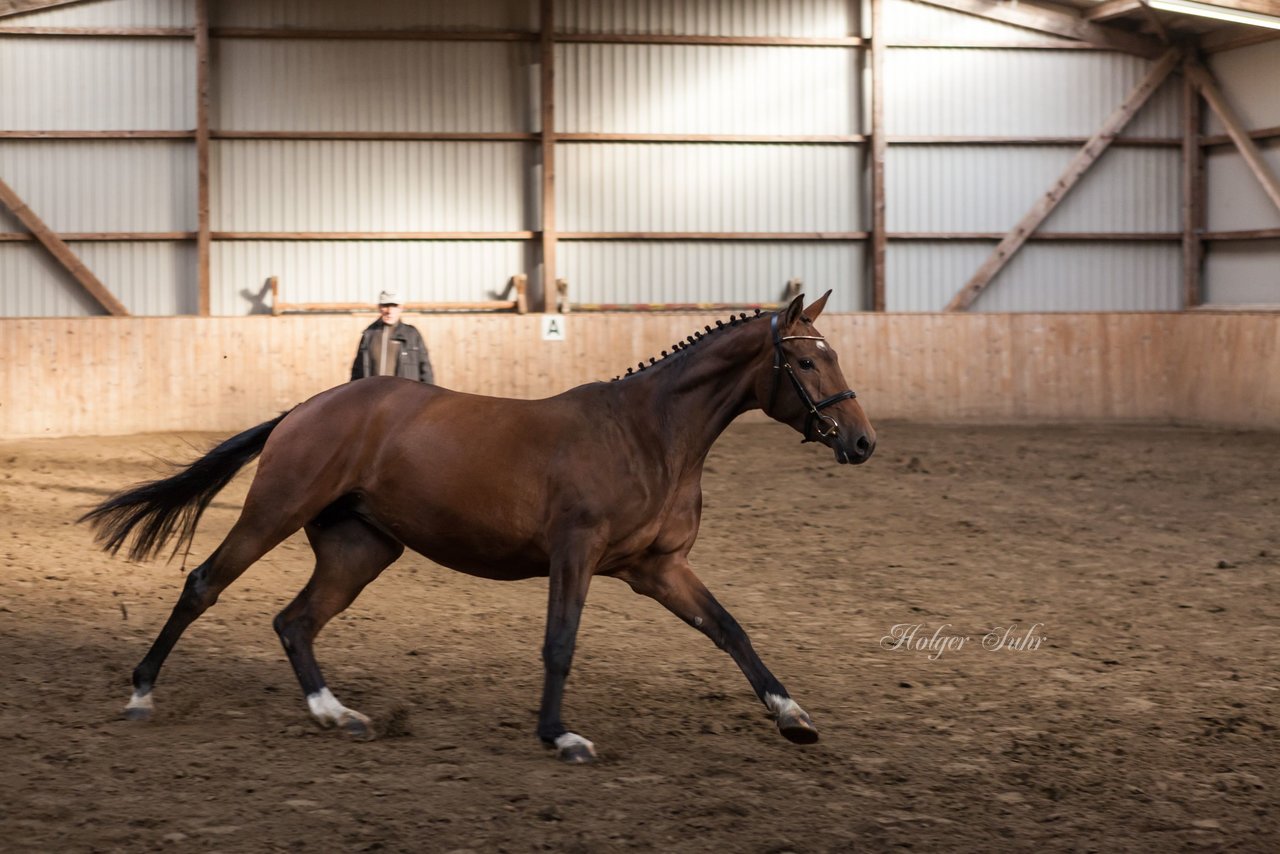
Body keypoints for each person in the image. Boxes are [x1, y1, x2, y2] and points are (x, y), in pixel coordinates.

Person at [350, 290, 434, 383]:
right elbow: (357, 370)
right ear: (379, 307)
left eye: (394, 306)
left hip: (405, 394)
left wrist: (431, 395)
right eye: (385, 306)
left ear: (401, 308)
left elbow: (425, 368)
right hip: (374, 394)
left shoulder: (412, 334)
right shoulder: (369, 334)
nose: (389, 311)